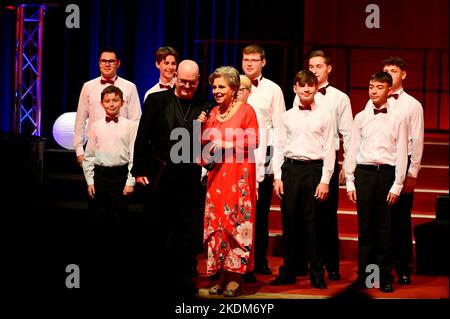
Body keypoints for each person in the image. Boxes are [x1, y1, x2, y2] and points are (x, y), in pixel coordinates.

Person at [132, 60, 205, 297]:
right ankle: (155, 280)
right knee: (157, 228)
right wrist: (139, 169)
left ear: (198, 81)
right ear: (175, 77)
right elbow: (143, 137)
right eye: (182, 81)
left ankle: (183, 281)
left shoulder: (205, 104)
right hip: (160, 174)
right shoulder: (155, 100)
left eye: (191, 83)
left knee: (186, 232)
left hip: (190, 177)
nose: (186, 86)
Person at [197, 66, 259, 297]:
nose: (217, 90)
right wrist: (199, 125)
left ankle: (235, 279)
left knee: (235, 225)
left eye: (221, 86)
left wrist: (228, 144)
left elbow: (254, 140)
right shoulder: (212, 113)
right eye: (214, 86)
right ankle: (221, 275)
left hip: (238, 176)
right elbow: (201, 149)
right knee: (218, 227)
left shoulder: (246, 111)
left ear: (234, 88)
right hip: (217, 177)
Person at [270, 70, 335, 289]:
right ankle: (289, 271)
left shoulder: (325, 116)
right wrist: (278, 177)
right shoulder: (286, 116)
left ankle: (317, 272)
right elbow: (278, 147)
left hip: (314, 170)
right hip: (290, 170)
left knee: (314, 224)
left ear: (316, 88)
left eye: (310, 85)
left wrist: (325, 179)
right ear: (295, 88)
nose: (306, 89)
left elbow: (329, 150)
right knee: (290, 223)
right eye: (302, 85)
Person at [292, 49, 353, 280]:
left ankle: (331, 266)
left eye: (318, 66)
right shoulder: (300, 94)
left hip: (327, 161)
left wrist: (346, 165)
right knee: (301, 216)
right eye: (311, 66)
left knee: (326, 217)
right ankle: (300, 264)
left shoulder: (339, 98)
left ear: (329, 68)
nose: (314, 70)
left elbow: (347, 134)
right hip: (301, 161)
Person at [345, 71, 408, 293]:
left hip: (386, 175)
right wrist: (350, 181)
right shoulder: (361, 117)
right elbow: (352, 149)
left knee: (385, 229)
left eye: (379, 87)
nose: (373, 90)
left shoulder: (398, 119)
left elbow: (402, 152)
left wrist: (398, 184)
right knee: (366, 228)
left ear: (389, 90)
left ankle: (384, 276)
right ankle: (366, 277)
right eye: (371, 86)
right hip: (364, 174)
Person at [366, 56, 424, 285]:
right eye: (385, 70)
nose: (389, 73)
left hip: (403, 163)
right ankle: (378, 270)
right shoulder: (372, 101)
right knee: (380, 221)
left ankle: (403, 267)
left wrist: (412, 174)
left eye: (393, 70)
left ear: (404, 74)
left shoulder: (412, 105)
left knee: (400, 220)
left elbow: (417, 140)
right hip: (380, 165)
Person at [241, 44, 286, 277]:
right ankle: (238, 262)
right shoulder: (232, 85)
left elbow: (279, 129)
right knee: (239, 214)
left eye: (254, 59)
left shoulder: (273, 90)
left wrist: (276, 169)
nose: (249, 63)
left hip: (263, 159)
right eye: (246, 59)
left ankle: (259, 261)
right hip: (236, 159)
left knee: (260, 214)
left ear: (263, 62)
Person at [74, 47, 141, 166]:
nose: (107, 64)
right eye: (103, 61)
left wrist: (134, 152)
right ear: (99, 63)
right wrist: (79, 151)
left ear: (118, 63)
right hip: (95, 150)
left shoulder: (129, 87)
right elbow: (80, 120)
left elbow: (135, 121)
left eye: (111, 61)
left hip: (122, 150)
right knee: (92, 184)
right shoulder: (88, 87)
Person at [82, 85, 137, 224]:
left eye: (115, 100)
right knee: (98, 216)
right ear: (101, 104)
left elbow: (133, 156)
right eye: (107, 101)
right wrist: (90, 181)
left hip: (120, 175)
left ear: (122, 103)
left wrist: (130, 182)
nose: (111, 104)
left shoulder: (130, 126)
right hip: (100, 175)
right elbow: (89, 156)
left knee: (118, 217)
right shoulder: (96, 125)